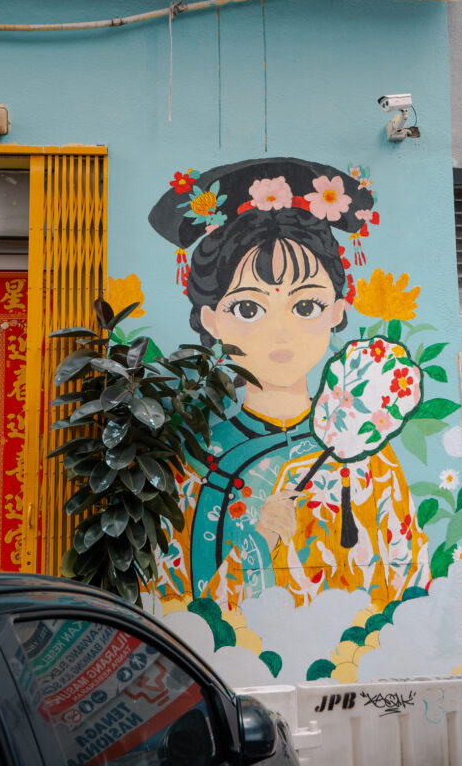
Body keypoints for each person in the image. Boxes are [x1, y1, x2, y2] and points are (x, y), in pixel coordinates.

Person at [149, 158, 430, 611]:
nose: (280, 333)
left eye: (305, 307)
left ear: (338, 312)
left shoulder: (370, 458)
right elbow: (175, 599)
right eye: (248, 309)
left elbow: (407, 580)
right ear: (211, 320)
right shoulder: (197, 458)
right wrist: (258, 539)